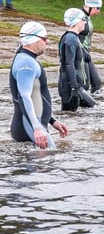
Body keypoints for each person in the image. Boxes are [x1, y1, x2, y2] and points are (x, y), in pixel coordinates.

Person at [10, 21, 68, 149]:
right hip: (28, 127)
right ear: (34, 40)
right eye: (44, 38)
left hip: (31, 125)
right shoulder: (26, 64)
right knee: (46, 162)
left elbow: (36, 97)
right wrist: (36, 128)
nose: (47, 42)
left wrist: (52, 120)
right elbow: (24, 97)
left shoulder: (27, 59)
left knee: (46, 165)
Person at [58, 7, 96, 111]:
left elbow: (77, 47)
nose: (85, 22)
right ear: (76, 22)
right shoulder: (71, 39)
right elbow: (69, 64)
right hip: (70, 86)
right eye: (83, 20)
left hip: (73, 84)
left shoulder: (73, 37)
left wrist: (84, 53)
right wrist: (74, 87)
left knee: (76, 115)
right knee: (92, 108)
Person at [78, 0, 103, 93]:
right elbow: (73, 37)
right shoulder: (80, 17)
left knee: (96, 83)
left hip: (86, 54)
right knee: (85, 85)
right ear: (89, 6)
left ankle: (94, 107)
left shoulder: (87, 17)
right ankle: (79, 104)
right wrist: (82, 52)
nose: (99, 11)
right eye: (97, 8)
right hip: (80, 54)